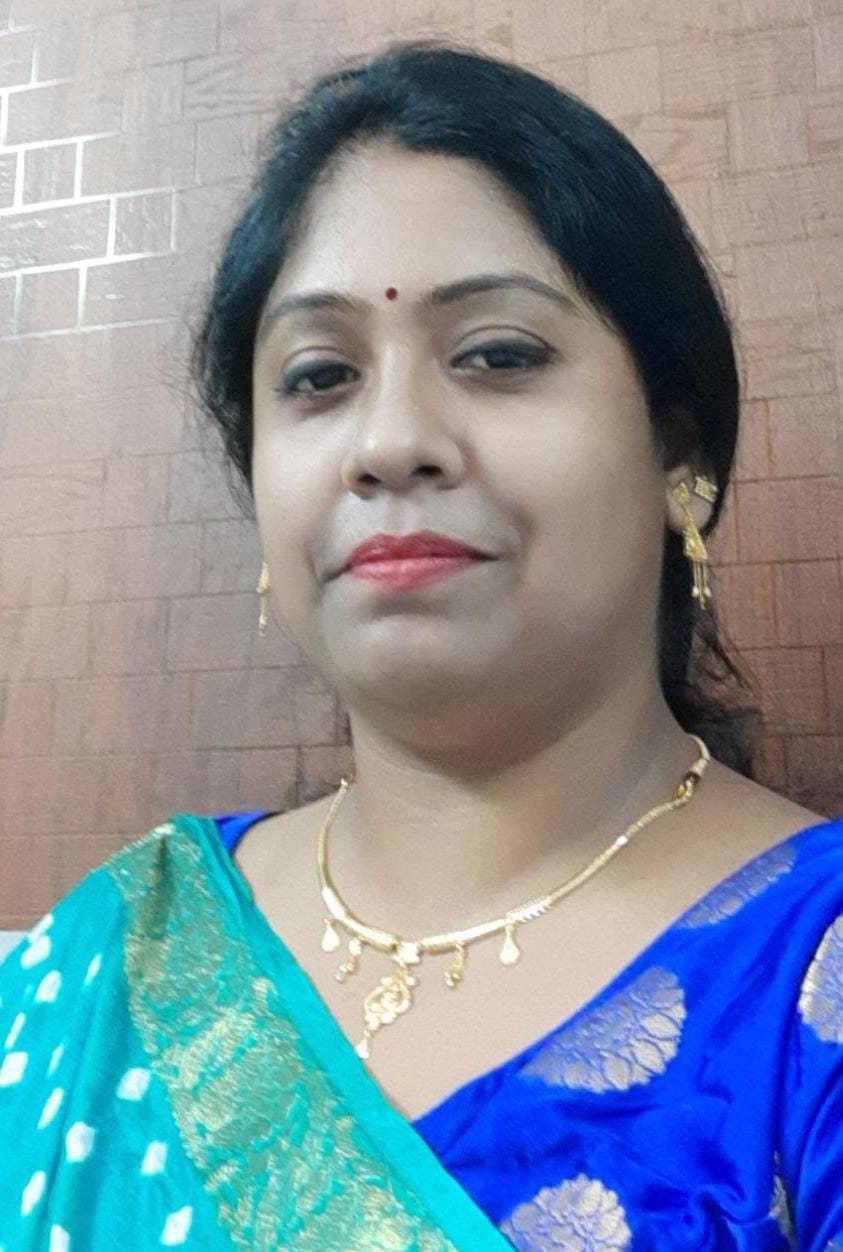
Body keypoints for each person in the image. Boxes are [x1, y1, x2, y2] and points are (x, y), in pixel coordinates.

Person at [1, 36, 841, 1251]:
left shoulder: (812, 981)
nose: (390, 441)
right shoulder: (116, 958)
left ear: (678, 452)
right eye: (319, 375)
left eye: (497, 354)